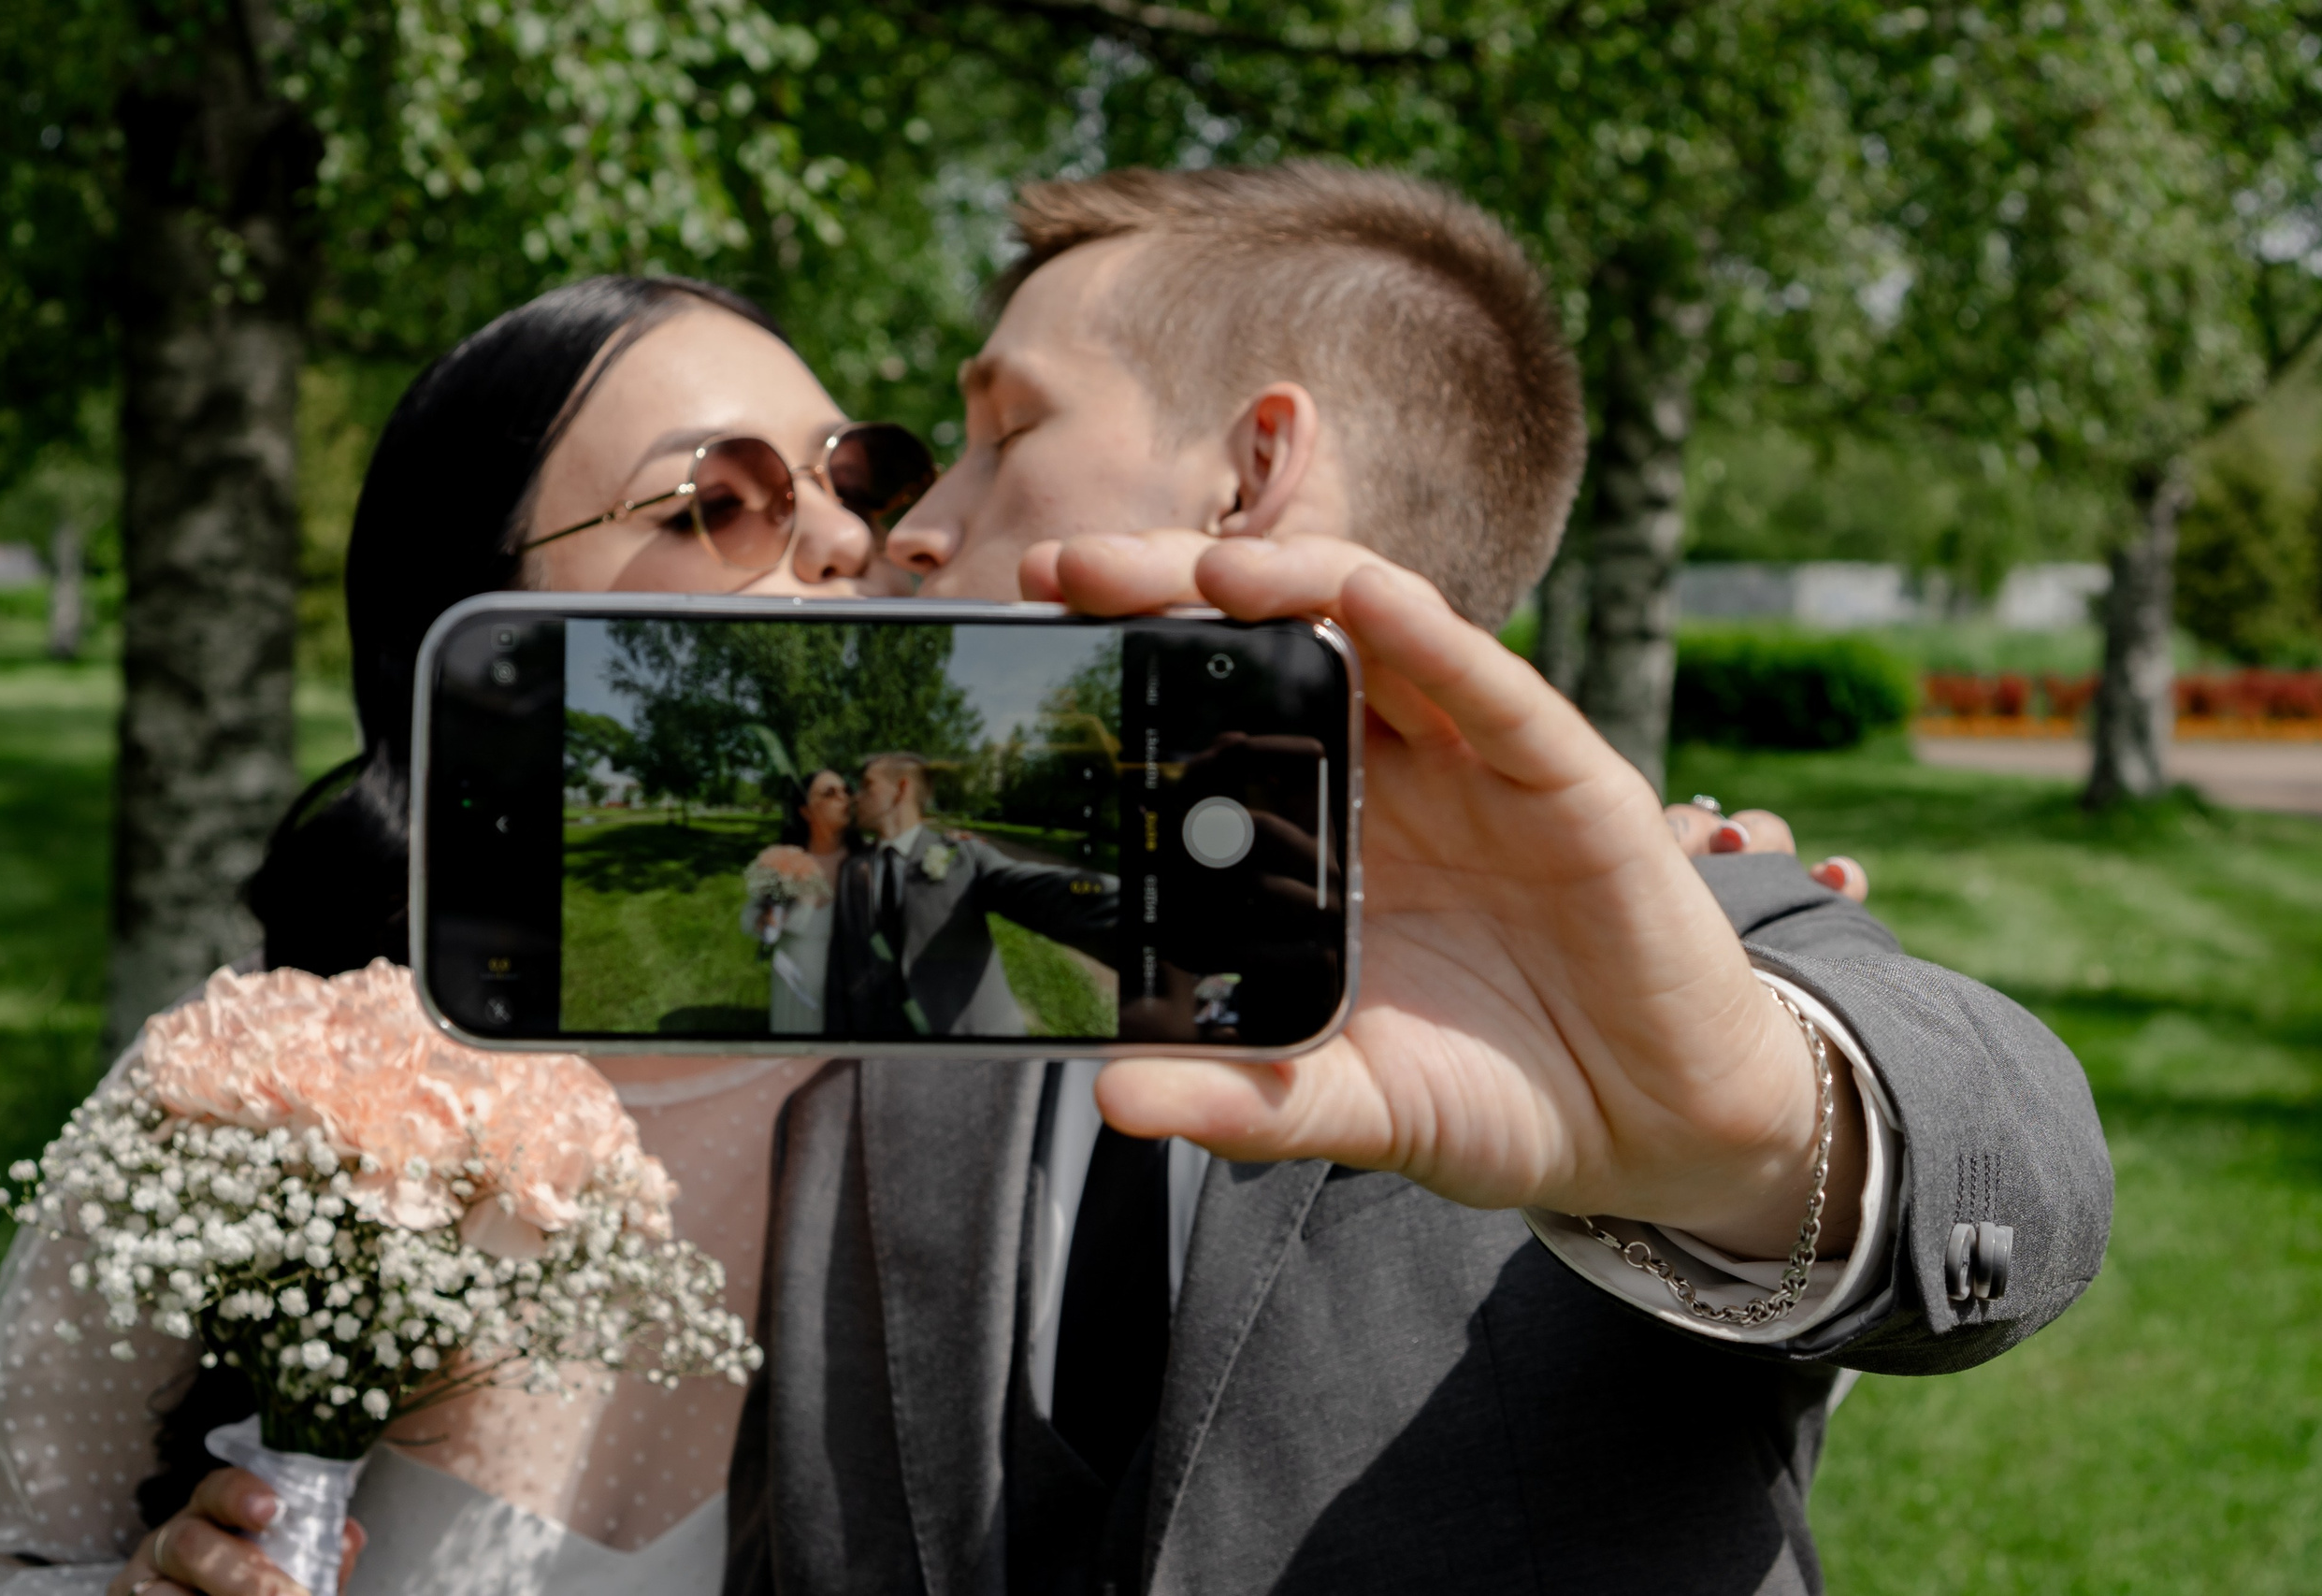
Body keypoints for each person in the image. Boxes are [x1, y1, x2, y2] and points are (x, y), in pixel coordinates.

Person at [727, 165, 2111, 1595]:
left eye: (1004, 428)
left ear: (1252, 471)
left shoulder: (1644, 925)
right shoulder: (901, 1007)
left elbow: (2021, 1161)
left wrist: (1757, 1127)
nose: (915, 528)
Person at [0, 274, 937, 1596]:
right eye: (719, 499)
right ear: (481, 602)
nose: (842, 537)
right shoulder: (263, 1076)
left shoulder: (977, 1075)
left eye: (861, 478)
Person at [823, 752, 1119, 1038]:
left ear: (901, 789)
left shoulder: (964, 855)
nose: (856, 796)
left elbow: (1031, 887)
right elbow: (842, 964)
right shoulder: (852, 868)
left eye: (867, 785)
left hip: (970, 1037)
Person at [747, 769, 854, 1035]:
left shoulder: (865, 862)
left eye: (846, 792)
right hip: (791, 987)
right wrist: (762, 921)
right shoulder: (783, 861)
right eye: (830, 793)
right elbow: (750, 915)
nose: (845, 799)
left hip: (844, 989)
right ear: (806, 811)